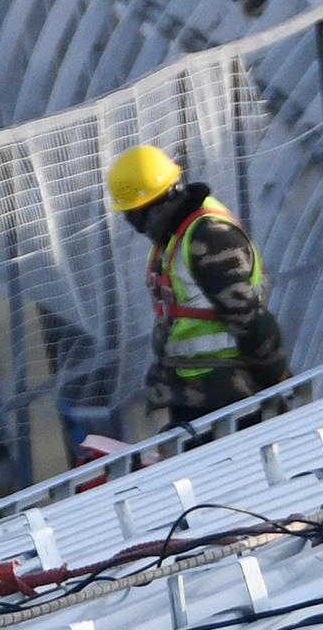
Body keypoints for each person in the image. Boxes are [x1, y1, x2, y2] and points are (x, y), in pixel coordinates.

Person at [109, 142, 289, 424]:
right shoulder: (173, 241)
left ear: (157, 205)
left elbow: (248, 319)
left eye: (136, 217)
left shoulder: (208, 237)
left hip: (231, 396)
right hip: (197, 396)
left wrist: (277, 378)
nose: (138, 229)